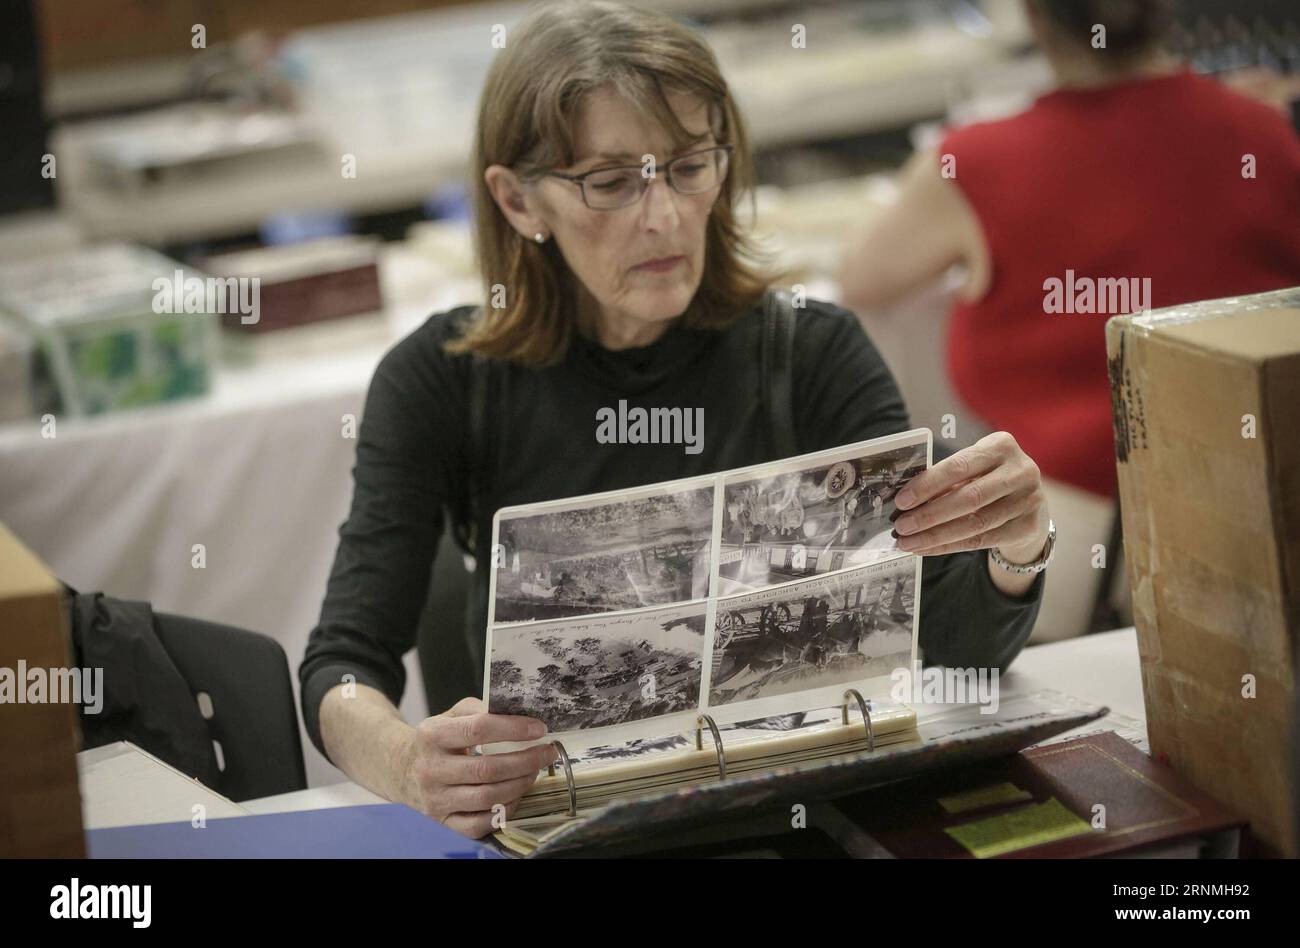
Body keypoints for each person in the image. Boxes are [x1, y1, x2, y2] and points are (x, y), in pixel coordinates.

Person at [300, 0, 1053, 839]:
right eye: (611, 182)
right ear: (519, 203)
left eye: (689, 166)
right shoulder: (441, 380)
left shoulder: (809, 350)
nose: (661, 217)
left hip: (791, 819)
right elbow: (340, 666)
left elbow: (954, 653)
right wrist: (406, 762)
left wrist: (1015, 547)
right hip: (568, 832)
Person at [839, 0, 1300, 499]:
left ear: (1034, 20)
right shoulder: (1262, 130)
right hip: (1259, 487)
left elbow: (860, 278)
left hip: (1074, 511)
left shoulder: (975, 163)